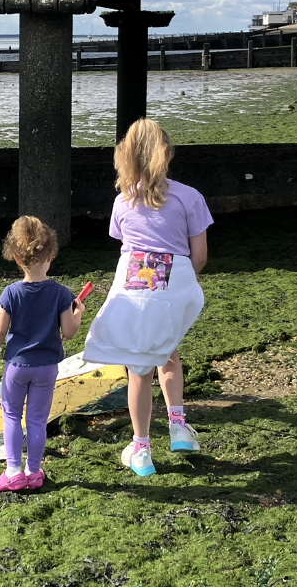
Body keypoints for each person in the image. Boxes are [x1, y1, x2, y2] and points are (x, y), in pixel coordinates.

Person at [82, 118, 213, 476]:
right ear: (167, 154)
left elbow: (124, 246)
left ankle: (141, 448)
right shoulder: (190, 197)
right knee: (167, 351)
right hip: (175, 282)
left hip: (135, 282)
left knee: (139, 367)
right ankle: (178, 426)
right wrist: (178, 287)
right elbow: (199, 256)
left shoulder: (122, 201)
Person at [0, 216, 86, 492]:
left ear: (16, 258)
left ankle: (13, 471)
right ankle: (34, 472)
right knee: (37, 420)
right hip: (47, 367)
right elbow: (70, 331)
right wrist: (79, 313)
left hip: (17, 366)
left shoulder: (11, 293)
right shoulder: (61, 293)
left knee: (12, 415)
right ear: (50, 256)